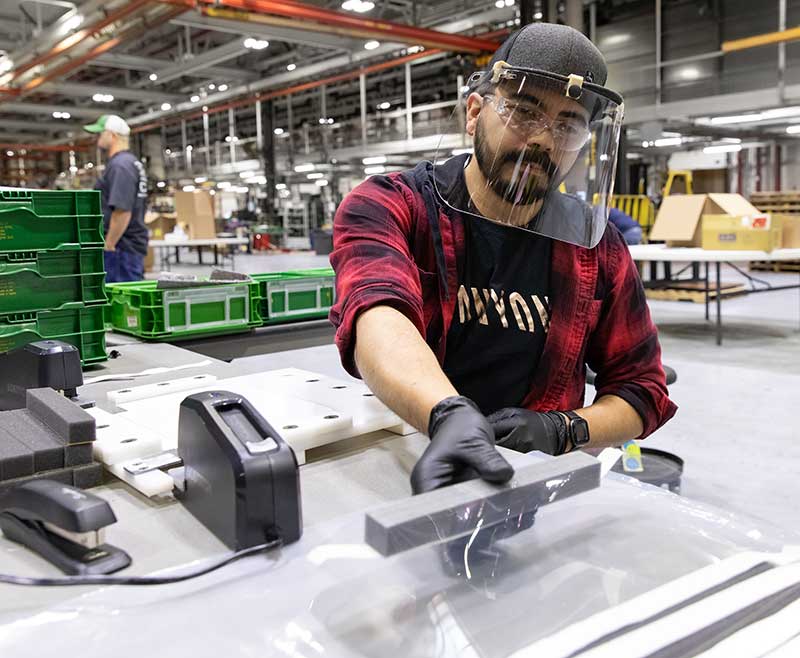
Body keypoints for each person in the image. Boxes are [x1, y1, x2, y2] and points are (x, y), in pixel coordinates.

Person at [329, 23, 677, 495]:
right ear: (474, 113)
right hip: (412, 456)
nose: (543, 139)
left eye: (568, 124)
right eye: (522, 112)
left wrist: (564, 429)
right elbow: (377, 312)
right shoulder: (392, 205)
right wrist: (447, 415)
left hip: (535, 480)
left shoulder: (597, 246)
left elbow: (642, 390)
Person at [83, 114, 149, 283]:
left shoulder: (121, 166)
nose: (96, 137)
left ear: (112, 135)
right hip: (126, 247)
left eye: (100, 133)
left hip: (121, 248)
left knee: (120, 304)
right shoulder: (129, 163)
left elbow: (122, 211)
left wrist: (109, 244)